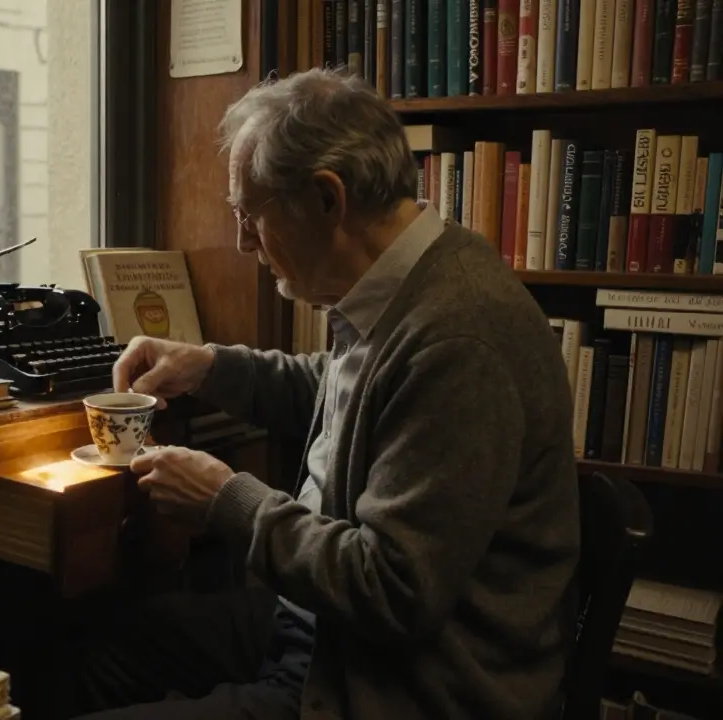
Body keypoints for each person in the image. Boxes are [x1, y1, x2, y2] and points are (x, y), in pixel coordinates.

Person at [63, 69, 581, 719]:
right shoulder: (406, 282)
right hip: (326, 629)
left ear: (326, 198)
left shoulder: (461, 338)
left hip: (403, 682)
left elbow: (393, 589)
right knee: (93, 647)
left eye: (251, 216)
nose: (243, 242)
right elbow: (356, 396)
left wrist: (228, 502)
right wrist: (209, 366)